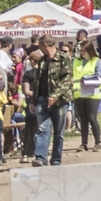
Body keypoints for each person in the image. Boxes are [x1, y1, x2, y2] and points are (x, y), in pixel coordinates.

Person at [24, 36, 72, 167]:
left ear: (45, 44)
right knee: (42, 128)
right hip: (42, 100)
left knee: (58, 132)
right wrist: (33, 100)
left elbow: (67, 79)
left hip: (60, 102)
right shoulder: (43, 60)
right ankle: (40, 158)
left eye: (39, 45)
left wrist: (55, 95)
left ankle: (56, 159)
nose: (38, 48)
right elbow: (37, 81)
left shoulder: (63, 58)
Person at [71, 38, 101, 154]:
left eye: (84, 50)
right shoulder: (76, 61)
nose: (82, 53)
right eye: (81, 50)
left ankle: (97, 142)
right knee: (83, 120)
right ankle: (84, 143)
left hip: (92, 93)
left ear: (90, 50)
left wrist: (85, 79)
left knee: (92, 118)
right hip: (78, 94)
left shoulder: (97, 61)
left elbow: (100, 77)